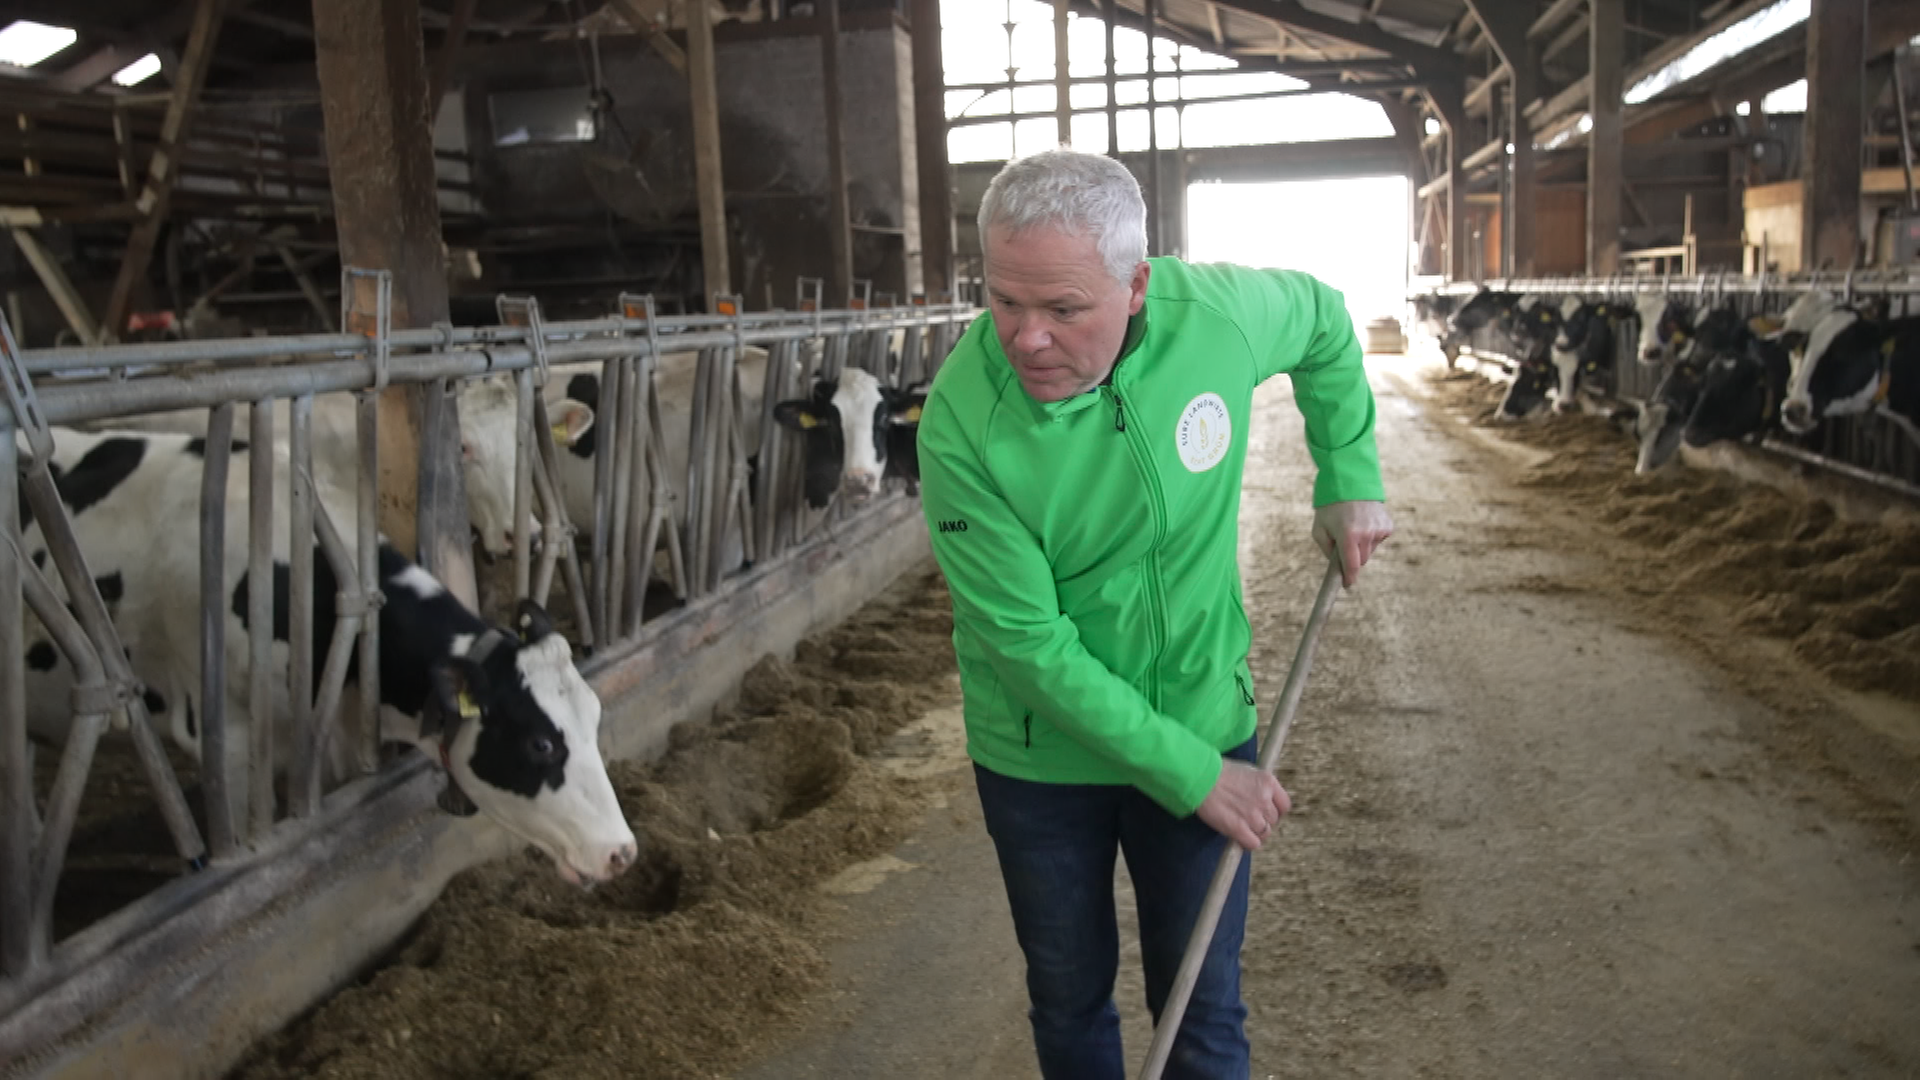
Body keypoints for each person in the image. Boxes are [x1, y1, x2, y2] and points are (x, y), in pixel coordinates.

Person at [916, 148, 1393, 1080]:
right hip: (1043, 761)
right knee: (1067, 995)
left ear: (1136, 285)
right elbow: (1028, 647)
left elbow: (1328, 322)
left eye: (1062, 308)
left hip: (1198, 716)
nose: (1025, 338)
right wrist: (1197, 778)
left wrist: (1350, 473)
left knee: (1201, 1007)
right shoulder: (961, 424)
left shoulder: (1213, 320)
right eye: (1004, 301)